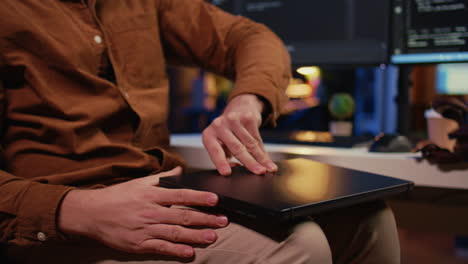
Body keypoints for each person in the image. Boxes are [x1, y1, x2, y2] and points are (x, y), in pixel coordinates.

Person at [0, 0, 400, 263]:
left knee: (366, 218)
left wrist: (248, 101)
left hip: (160, 190)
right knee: (299, 247)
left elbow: (249, 37)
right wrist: (73, 209)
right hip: (63, 216)